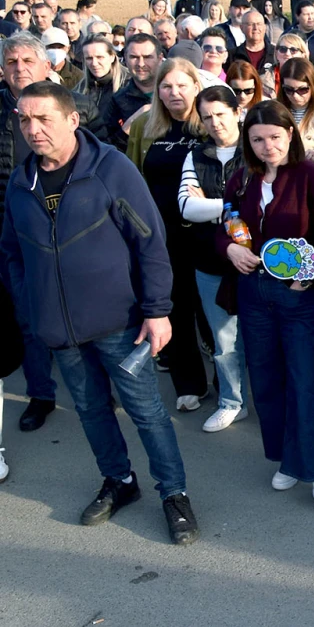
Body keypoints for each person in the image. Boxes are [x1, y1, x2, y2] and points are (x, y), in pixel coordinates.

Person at [0, 80, 199, 544]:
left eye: (43, 118)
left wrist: (157, 310)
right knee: (90, 410)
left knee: (147, 412)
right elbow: (11, 252)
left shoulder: (111, 169)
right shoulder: (20, 180)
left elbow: (149, 241)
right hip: (58, 328)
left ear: (72, 118)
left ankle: (174, 494)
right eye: (24, 119)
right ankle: (119, 481)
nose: (33, 129)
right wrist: (30, 302)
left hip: (120, 322)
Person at [219, 100, 314, 518]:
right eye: (257, 139)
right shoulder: (239, 179)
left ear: (290, 134)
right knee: (267, 382)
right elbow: (224, 226)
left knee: (305, 384)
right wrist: (229, 250)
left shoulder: (313, 176)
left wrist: (308, 274)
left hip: (299, 296)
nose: (267, 145)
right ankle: (288, 459)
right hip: (253, 294)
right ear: (247, 141)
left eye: (274, 136)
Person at [125, 58, 210, 411]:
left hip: (206, 235)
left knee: (210, 311)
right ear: (158, 91)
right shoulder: (146, 125)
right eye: (167, 86)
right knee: (171, 307)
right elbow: (131, 178)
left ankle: (228, 381)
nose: (174, 93)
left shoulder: (209, 123)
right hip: (161, 236)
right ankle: (188, 383)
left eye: (181, 85)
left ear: (195, 86)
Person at [177, 86, 247, 432]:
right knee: (224, 342)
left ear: (237, 111)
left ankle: (270, 399)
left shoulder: (256, 147)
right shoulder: (197, 155)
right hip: (209, 261)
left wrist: (212, 202)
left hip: (255, 263)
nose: (215, 122)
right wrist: (229, 206)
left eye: (221, 113)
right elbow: (187, 206)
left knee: (264, 338)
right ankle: (232, 402)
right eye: (207, 117)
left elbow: (266, 203)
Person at [0, 34, 61, 431]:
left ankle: (97, 384)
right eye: (11, 62)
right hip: (8, 233)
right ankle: (42, 393)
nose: (19, 67)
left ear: (44, 67)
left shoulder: (69, 106)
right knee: (26, 316)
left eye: (27, 60)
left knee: (76, 311)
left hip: (58, 229)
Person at [104, 33, 162, 149]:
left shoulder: (174, 94)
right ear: (125, 59)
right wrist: (128, 128)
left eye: (147, 57)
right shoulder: (118, 101)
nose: (140, 64)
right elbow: (108, 148)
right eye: (134, 57)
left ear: (160, 58)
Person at [75, 36, 129, 140]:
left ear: (112, 57)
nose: (94, 63)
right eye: (89, 58)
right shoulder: (79, 89)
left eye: (100, 57)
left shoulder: (128, 85)